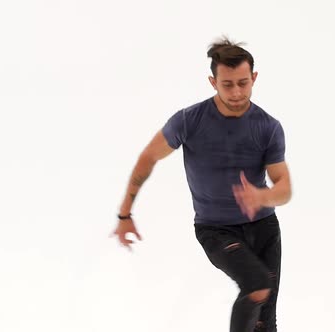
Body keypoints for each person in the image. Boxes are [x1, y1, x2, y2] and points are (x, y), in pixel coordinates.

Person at [111, 37, 292, 332]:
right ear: (213, 82)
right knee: (257, 285)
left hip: (264, 228)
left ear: (254, 78)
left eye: (243, 83)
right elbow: (148, 158)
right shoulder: (189, 121)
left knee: (265, 321)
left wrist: (263, 195)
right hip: (216, 230)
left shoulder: (267, 127)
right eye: (227, 84)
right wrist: (124, 213)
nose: (236, 92)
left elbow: (284, 187)